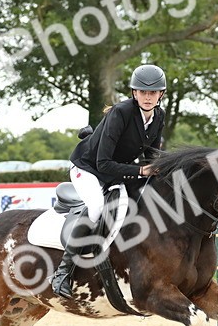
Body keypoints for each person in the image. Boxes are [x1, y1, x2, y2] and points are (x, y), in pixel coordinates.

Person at [51, 64, 166, 298]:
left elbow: (152, 157)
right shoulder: (121, 113)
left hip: (116, 170)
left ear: (160, 95)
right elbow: (103, 163)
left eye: (152, 92)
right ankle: (63, 272)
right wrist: (142, 171)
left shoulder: (158, 117)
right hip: (88, 168)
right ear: (134, 93)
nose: (147, 97)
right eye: (142, 92)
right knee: (96, 207)